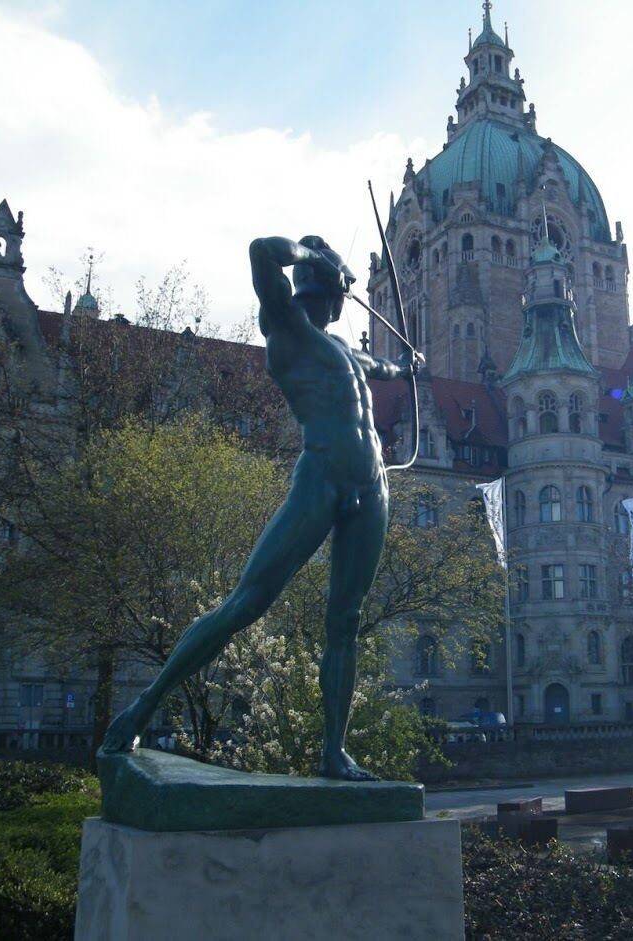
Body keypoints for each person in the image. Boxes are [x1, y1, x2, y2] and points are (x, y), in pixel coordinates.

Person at [100, 235, 421, 781]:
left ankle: (333, 752)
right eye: (338, 283)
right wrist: (316, 256)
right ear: (326, 284)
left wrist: (406, 366)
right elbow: (260, 251)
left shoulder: (340, 348)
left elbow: (379, 366)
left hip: (372, 485)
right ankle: (142, 708)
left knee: (345, 620)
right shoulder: (286, 326)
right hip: (320, 479)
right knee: (246, 603)